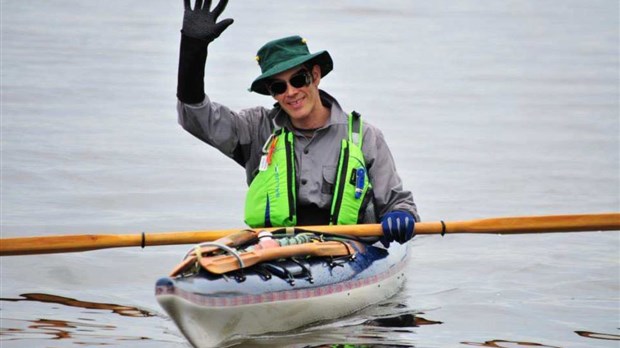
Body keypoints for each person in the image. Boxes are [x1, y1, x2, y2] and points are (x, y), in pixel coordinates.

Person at [176, 0, 419, 247]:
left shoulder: (365, 136)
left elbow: (398, 202)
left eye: (298, 79)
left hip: (349, 251)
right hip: (273, 248)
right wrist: (193, 50)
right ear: (272, 93)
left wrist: (400, 216)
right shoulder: (255, 127)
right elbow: (196, 116)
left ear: (315, 76)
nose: (290, 92)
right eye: (279, 87)